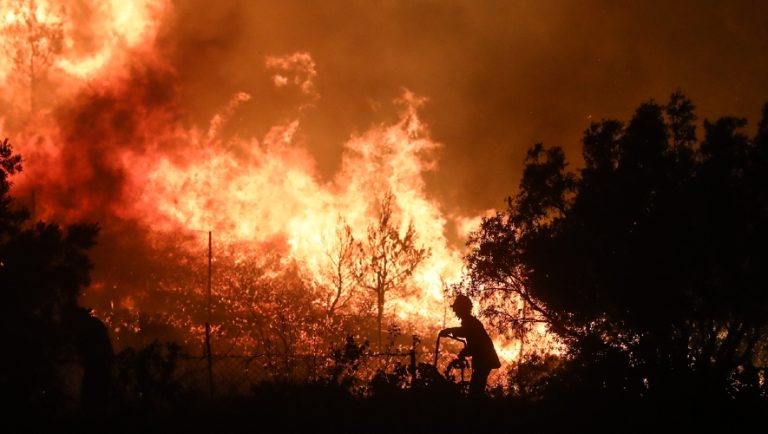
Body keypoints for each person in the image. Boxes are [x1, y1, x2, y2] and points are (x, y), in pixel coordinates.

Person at [439, 294, 501, 397]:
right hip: (484, 359)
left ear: (462, 308)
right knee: (477, 388)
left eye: (457, 309)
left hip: (484, 359)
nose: (455, 311)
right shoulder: (470, 321)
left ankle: (476, 410)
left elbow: (474, 341)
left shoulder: (470, 322)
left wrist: (450, 331)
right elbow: (467, 334)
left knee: (475, 391)